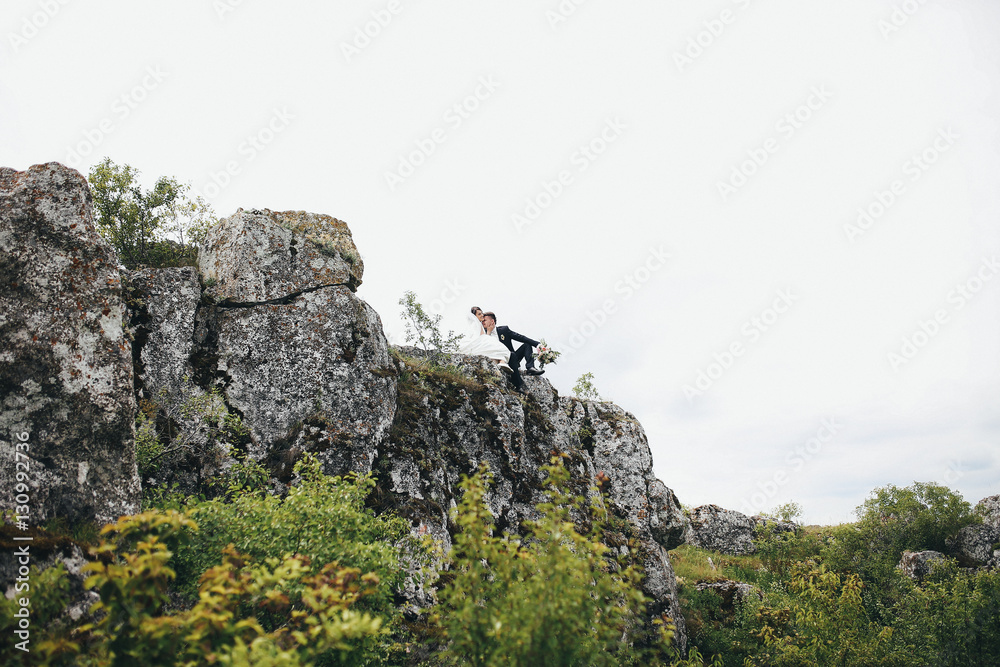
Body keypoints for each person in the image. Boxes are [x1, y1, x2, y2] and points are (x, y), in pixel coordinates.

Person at [482, 311, 543, 392]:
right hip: (497, 359)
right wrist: (488, 334)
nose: (482, 322)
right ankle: (518, 385)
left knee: (526, 345)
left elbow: (521, 338)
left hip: (511, 358)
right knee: (512, 354)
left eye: (484, 320)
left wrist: (538, 345)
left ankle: (530, 368)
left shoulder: (504, 330)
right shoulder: (484, 334)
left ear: (492, 321)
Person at [459, 306, 512, 372]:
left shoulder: (479, 324)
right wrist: (489, 332)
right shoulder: (475, 324)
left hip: (480, 341)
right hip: (475, 343)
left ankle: (502, 362)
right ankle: (502, 361)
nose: (482, 315)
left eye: (482, 313)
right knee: (499, 346)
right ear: (475, 316)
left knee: (498, 346)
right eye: (479, 314)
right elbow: (479, 337)